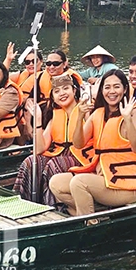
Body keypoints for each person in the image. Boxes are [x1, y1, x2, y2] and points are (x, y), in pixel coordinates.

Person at [50, 69, 136, 215]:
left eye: (116, 86)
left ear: (125, 89)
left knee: (79, 183)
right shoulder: (98, 113)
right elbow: (78, 144)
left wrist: (127, 119)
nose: (112, 91)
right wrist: (80, 116)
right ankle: (91, 213)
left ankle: (89, 221)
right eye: (107, 87)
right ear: (102, 90)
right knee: (56, 183)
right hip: (103, 178)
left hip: (127, 186)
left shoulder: (133, 113)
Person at [14, 74, 95, 206]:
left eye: (66, 89)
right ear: (53, 96)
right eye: (57, 91)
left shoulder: (85, 109)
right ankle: (24, 201)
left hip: (82, 157)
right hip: (59, 153)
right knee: (31, 160)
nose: (62, 94)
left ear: (74, 91)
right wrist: (38, 120)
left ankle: (54, 206)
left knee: (54, 164)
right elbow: (39, 149)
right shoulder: (55, 114)